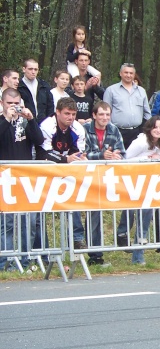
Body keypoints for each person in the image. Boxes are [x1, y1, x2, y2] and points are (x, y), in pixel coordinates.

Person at [0, 88, 44, 271]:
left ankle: (26, 261)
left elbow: (39, 140)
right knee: (7, 223)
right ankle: (6, 262)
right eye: (10, 104)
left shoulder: (24, 121)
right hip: (5, 178)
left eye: (16, 104)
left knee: (29, 221)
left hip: (25, 177)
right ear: (2, 103)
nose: (13, 107)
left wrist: (31, 119)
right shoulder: (2, 120)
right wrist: (7, 119)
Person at [40, 97, 89, 251]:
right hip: (44, 168)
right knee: (40, 209)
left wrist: (78, 158)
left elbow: (78, 151)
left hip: (67, 168)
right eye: (67, 114)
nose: (71, 118)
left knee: (73, 201)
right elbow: (43, 153)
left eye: (73, 114)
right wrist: (65, 159)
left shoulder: (77, 128)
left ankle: (77, 238)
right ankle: (42, 248)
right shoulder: (47, 126)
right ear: (58, 112)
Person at [82, 101, 126, 265]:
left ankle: (99, 253)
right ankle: (94, 255)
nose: (105, 118)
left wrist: (116, 156)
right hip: (88, 177)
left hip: (108, 177)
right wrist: (102, 155)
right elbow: (83, 153)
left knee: (101, 214)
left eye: (107, 114)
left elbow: (122, 152)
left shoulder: (114, 129)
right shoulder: (85, 129)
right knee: (93, 216)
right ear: (94, 115)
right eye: (101, 114)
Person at [126, 118, 160, 261]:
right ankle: (123, 237)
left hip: (152, 184)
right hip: (133, 183)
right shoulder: (140, 142)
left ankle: (138, 257)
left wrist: (159, 156)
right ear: (149, 128)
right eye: (155, 127)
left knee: (145, 221)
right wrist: (145, 158)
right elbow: (124, 158)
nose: (158, 130)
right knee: (128, 216)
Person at [103, 62, 151, 147]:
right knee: (117, 157)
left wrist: (146, 129)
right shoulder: (111, 90)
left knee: (135, 158)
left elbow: (147, 113)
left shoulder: (141, 91)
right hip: (117, 131)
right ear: (120, 73)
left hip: (137, 132)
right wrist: (109, 130)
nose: (128, 75)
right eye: (126, 72)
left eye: (131, 73)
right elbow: (105, 112)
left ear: (134, 75)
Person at [17, 58, 54, 122]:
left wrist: (49, 120)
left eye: (35, 69)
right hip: (25, 122)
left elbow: (50, 105)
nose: (33, 72)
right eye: (30, 69)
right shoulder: (18, 86)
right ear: (24, 69)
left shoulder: (44, 85)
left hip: (43, 122)